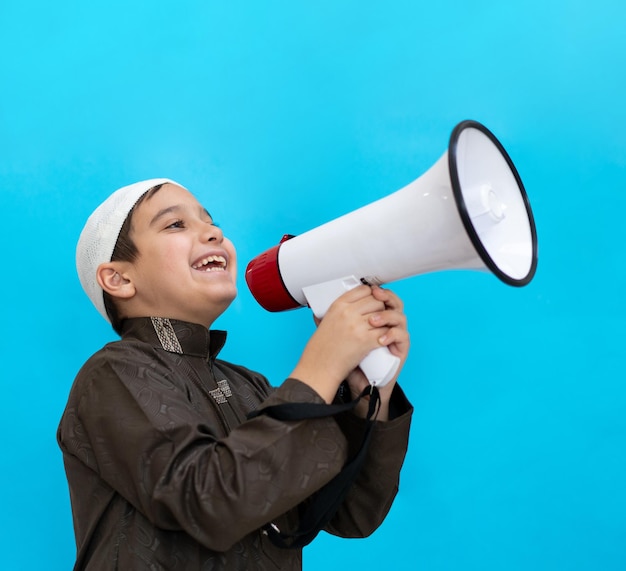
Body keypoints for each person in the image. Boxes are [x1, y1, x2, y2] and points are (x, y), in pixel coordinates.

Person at [58, 178, 413, 570]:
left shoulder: (252, 387)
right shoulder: (112, 375)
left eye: (211, 221)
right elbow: (209, 502)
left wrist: (367, 391)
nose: (214, 232)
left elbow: (353, 511)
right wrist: (324, 364)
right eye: (175, 225)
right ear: (120, 279)